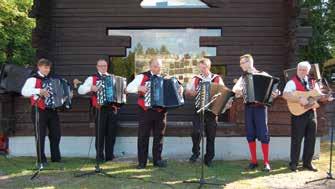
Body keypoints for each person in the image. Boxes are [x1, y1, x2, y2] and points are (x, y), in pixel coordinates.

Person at [126, 58, 183, 169]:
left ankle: (157, 160)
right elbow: (128, 88)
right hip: (145, 111)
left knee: (159, 137)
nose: (158, 68)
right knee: (143, 137)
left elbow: (177, 85)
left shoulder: (166, 78)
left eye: (160, 66)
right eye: (156, 65)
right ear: (150, 66)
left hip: (161, 112)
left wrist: (180, 88)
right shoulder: (142, 77)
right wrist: (139, 87)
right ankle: (142, 162)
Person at [283, 61, 333, 172]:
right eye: (299, 69)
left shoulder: (313, 82)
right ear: (297, 70)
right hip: (297, 114)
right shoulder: (292, 82)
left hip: (311, 112)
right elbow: (285, 95)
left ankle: (307, 163)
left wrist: (326, 98)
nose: (301, 71)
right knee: (297, 139)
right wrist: (299, 99)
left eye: (304, 70)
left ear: (308, 71)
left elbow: (318, 96)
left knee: (311, 139)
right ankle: (294, 164)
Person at [232, 54, 279, 172]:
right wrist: (240, 91)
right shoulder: (243, 78)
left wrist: (276, 93)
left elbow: (275, 89)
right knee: (250, 134)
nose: (241, 65)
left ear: (249, 62)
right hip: (248, 107)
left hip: (261, 108)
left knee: (263, 134)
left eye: (242, 63)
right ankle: (254, 161)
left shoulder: (264, 74)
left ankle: (266, 163)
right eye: (240, 63)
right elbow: (235, 90)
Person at [78, 59, 120, 162]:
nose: (103, 67)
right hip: (99, 109)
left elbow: (119, 92)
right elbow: (80, 90)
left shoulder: (113, 78)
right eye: (101, 66)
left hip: (112, 109)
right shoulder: (92, 78)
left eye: (105, 66)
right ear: (97, 67)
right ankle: (99, 156)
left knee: (111, 134)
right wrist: (90, 88)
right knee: (100, 134)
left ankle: (109, 156)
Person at [185, 58, 225, 167]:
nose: (202, 70)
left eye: (204, 67)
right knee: (196, 132)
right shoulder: (196, 79)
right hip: (199, 110)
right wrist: (190, 92)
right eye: (201, 68)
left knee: (211, 136)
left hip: (212, 112)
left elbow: (223, 92)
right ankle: (196, 152)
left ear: (209, 67)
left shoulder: (217, 78)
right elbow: (188, 92)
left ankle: (209, 159)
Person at [21, 58, 61, 165]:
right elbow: (24, 92)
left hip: (52, 110)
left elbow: (57, 93)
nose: (47, 70)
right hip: (39, 110)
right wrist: (39, 90)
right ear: (39, 67)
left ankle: (56, 158)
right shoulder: (33, 79)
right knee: (40, 135)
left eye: (48, 68)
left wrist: (63, 98)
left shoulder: (53, 79)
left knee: (56, 134)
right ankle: (41, 160)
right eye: (45, 67)